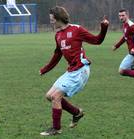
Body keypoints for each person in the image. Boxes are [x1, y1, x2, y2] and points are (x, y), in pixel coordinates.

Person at [39, 6, 109, 136]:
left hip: (81, 69)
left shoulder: (76, 29)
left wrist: (104, 28)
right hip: (71, 70)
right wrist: (45, 69)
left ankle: (56, 129)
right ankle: (77, 113)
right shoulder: (58, 35)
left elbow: (97, 40)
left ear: (59, 18)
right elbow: (57, 54)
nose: (51, 22)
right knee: (49, 96)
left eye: (52, 19)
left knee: (56, 97)